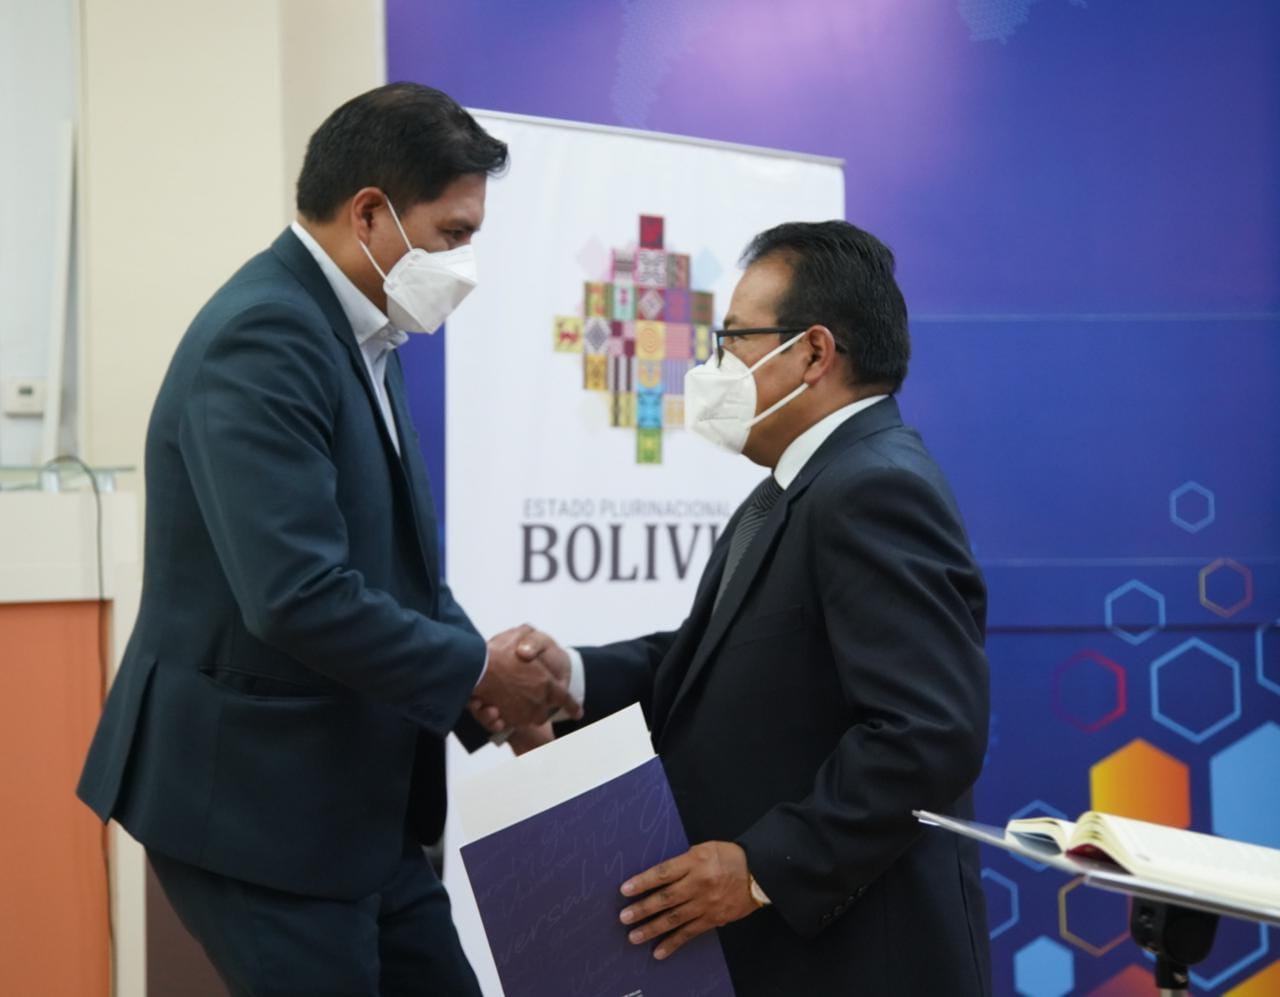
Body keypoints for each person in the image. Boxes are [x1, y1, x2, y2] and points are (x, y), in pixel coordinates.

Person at [76, 83, 580, 997]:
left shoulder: (363, 332)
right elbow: (296, 592)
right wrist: (477, 670)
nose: (464, 263)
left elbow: (397, 571)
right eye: (453, 233)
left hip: (356, 801)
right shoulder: (266, 334)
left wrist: (493, 697)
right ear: (370, 214)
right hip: (255, 805)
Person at [478, 220, 992, 996]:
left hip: (860, 963)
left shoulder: (876, 488)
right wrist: (569, 677)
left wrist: (764, 865)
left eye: (732, 340)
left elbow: (929, 731)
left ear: (813, 353)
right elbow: (707, 659)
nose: (712, 367)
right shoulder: (790, 489)